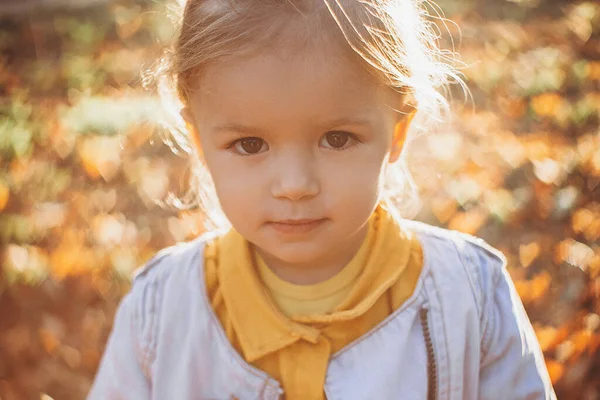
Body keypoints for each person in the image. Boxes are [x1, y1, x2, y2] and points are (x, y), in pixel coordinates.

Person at [88, 0, 556, 399]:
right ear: (199, 140)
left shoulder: (470, 298)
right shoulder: (162, 312)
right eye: (250, 145)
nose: (295, 184)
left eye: (336, 138)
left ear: (398, 132)